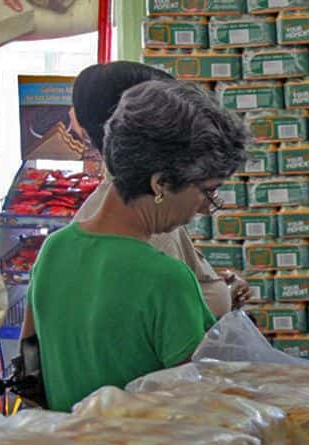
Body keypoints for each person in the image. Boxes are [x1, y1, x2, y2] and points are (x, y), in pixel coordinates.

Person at [21, 80, 249, 411]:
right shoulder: (166, 278)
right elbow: (203, 409)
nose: (204, 207)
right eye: (207, 191)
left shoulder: (54, 251)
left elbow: (30, 365)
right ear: (160, 184)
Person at [71, 61, 250, 318]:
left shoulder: (59, 246)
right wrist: (223, 295)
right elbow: (170, 340)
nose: (207, 208)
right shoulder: (156, 247)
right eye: (207, 192)